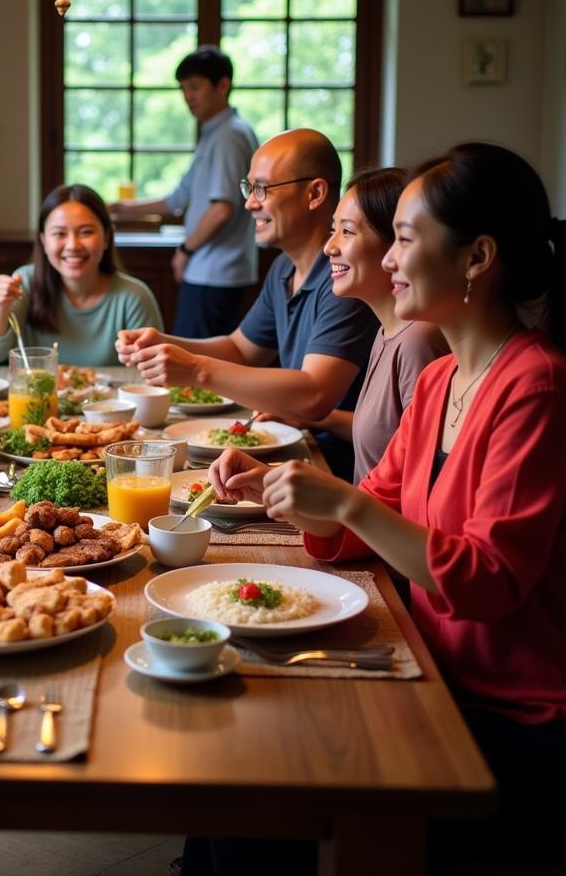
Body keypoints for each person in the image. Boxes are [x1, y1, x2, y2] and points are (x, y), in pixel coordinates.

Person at [202, 142, 566, 873]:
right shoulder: (438, 384)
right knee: (233, 754)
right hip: (425, 667)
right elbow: (372, 510)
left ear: (476, 257)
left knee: (262, 801)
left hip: (508, 714)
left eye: (403, 239)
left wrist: (345, 506)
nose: (389, 259)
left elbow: (488, 580)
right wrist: (284, 497)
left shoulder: (536, 388)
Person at [117, 129, 378, 480]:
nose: (249, 203)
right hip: (297, 451)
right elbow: (241, 350)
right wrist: (164, 343)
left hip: (339, 471)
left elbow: (314, 394)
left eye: (262, 189)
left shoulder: (344, 277)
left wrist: (195, 369)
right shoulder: (285, 267)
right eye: (248, 188)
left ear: (315, 193)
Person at [214, 167, 448, 493]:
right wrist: (314, 419)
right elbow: (391, 436)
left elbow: (415, 487)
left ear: (396, 244)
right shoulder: (387, 333)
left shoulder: (417, 340)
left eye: (347, 232)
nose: (329, 248)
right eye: (333, 230)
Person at [110, 45, 258, 337]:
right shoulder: (214, 133)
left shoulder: (229, 135)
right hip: (209, 271)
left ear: (223, 85)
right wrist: (119, 209)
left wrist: (185, 250)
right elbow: (176, 200)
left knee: (197, 366)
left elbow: (221, 209)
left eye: (195, 87)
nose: (188, 97)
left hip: (216, 272)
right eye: (183, 89)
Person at [0, 183, 162, 366]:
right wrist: (1, 306)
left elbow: (152, 370)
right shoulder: (25, 282)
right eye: (59, 233)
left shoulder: (134, 295)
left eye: (86, 232)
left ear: (106, 237)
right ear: (43, 240)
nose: (73, 245)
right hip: (37, 394)